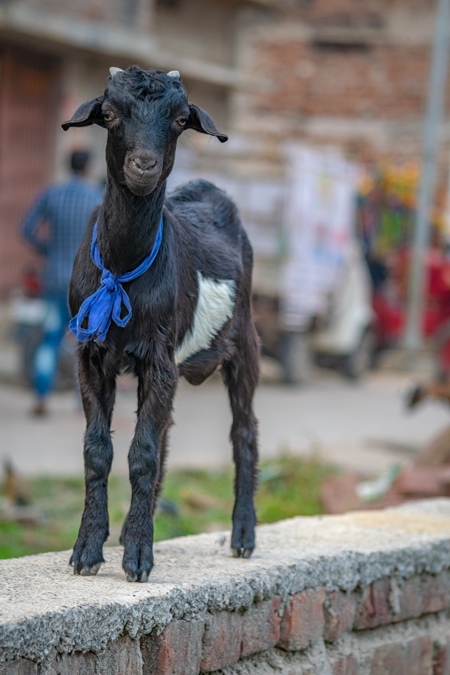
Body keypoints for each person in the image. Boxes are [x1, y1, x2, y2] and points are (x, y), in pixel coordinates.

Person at [21, 150, 103, 415]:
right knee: (86, 340)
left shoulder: (51, 194)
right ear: (88, 168)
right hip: (86, 282)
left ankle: (41, 395)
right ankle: (83, 400)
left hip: (54, 280)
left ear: (67, 167)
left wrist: (47, 250)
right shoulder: (96, 198)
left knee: (50, 339)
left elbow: (26, 228)